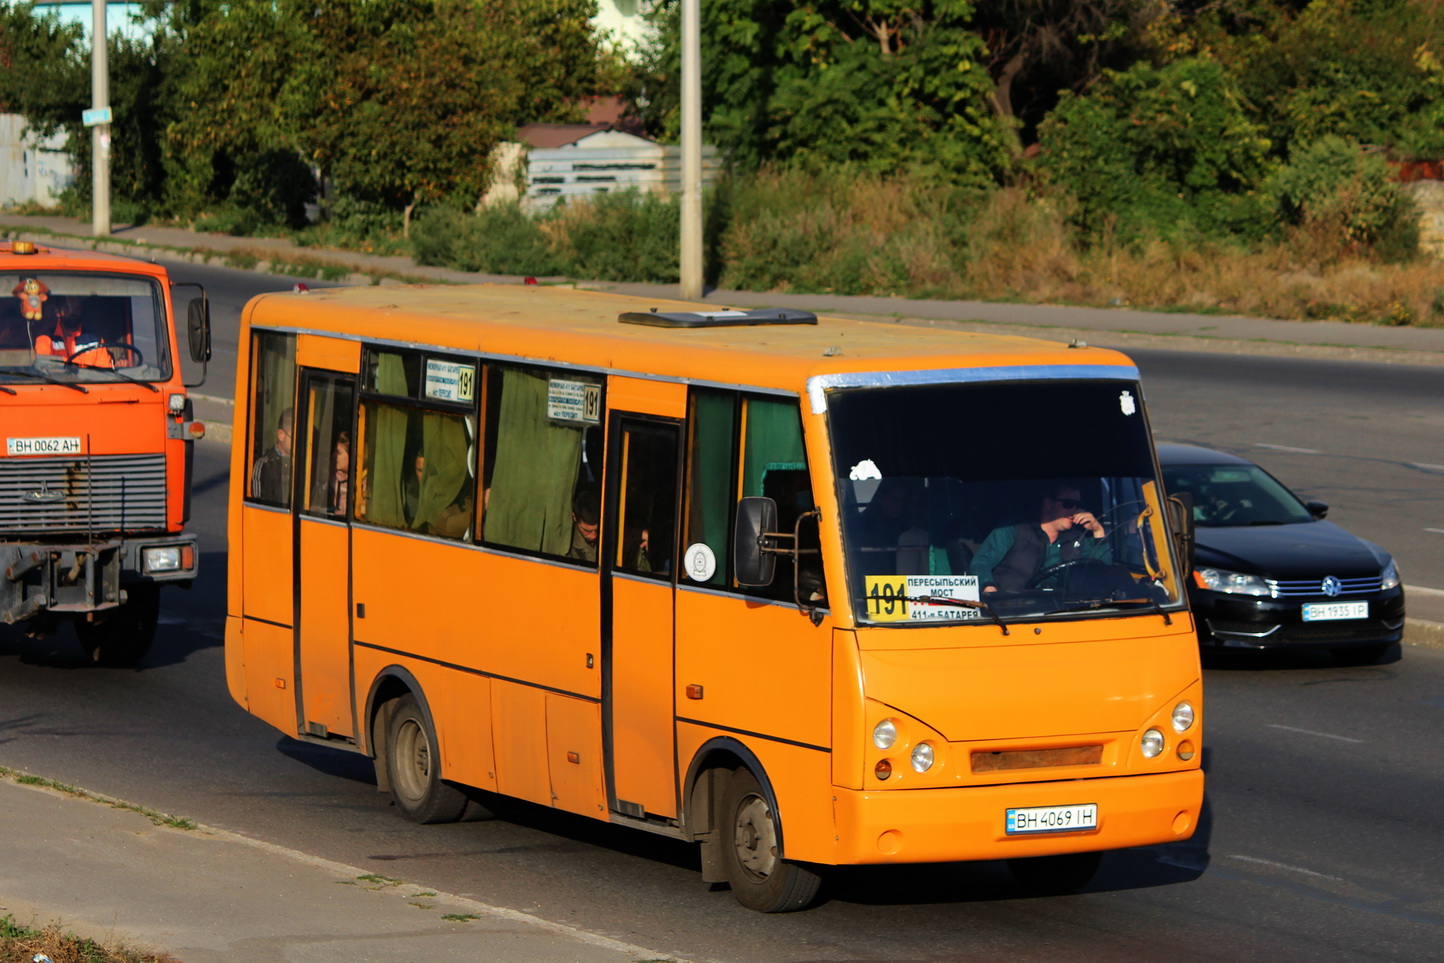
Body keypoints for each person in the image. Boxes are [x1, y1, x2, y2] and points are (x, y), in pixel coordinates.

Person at [970, 484, 1111, 593]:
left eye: (1077, 505)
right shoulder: (1014, 528)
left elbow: (1101, 575)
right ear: (1048, 504)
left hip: (1060, 611)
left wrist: (1098, 532)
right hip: (1009, 610)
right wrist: (988, 587)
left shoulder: (1078, 538)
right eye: (1068, 504)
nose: (1074, 510)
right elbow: (981, 562)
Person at [33, 295, 113, 368]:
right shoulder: (45, 339)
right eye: (67, 308)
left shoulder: (96, 340)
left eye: (76, 308)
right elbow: (44, 370)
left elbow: (105, 372)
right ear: (58, 312)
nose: (73, 312)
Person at [251, 407, 293, 505]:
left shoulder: (303, 465)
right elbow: (259, 504)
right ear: (281, 435)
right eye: (294, 436)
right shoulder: (264, 465)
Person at [312, 432, 349, 516]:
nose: (333, 455)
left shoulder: (365, 483)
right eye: (334, 451)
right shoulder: (330, 469)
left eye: (338, 452)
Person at [567, 489, 600, 562]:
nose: (593, 536)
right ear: (574, 517)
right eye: (587, 530)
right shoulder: (567, 546)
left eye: (597, 530)